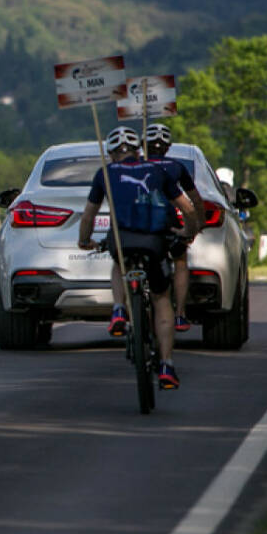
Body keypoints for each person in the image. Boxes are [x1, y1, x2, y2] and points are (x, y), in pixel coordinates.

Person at [77, 125, 201, 390]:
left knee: (119, 263)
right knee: (160, 298)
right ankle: (167, 364)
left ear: (110, 154)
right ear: (138, 151)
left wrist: (84, 240)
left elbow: (88, 215)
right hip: (154, 241)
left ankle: (119, 309)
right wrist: (188, 230)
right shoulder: (157, 171)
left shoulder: (105, 174)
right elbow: (188, 208)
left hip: (121, 239)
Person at [143, 122, 204, 332]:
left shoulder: (135, 167)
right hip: (166, 225)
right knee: (180, 261)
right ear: (168, 147)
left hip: (136, 225)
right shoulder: (176, 167)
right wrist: (198, 225)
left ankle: (122, 309)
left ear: (144, 145)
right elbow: (195, 201)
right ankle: (180, 314)